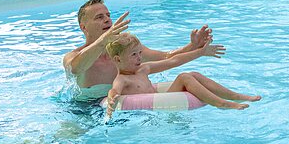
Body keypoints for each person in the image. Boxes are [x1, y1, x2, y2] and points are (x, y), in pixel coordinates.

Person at [64, 0, 224, 101]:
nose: (107, 20)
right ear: (84, 27)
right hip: (84, 110)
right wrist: (102, 41)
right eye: (99, 17)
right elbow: (76, 69)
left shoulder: (124, 48)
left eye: (108, 15)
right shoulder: (74, 56)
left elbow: (166, 57)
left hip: (123, 104)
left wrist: (192, 46)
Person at [102, 33, 260, 111]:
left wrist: (200, 52)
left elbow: (174, 61)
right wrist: (112, 99)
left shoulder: (144, 68)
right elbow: (114, 90)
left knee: (193, 75)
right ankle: (221, 103)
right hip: (152, 109)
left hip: (161, 98)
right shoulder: (122, 79)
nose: (139, 58)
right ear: (117, 59)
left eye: (140, 53)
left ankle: (235, 96)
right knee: (184, 77)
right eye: (133, 55)